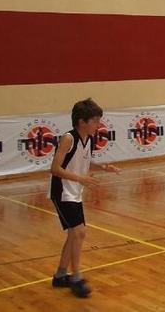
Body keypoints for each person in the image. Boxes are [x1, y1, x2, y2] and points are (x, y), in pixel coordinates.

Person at [49, 98, 121, 298]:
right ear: (82, 122)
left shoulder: (89, 139)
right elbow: (55, 168)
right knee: (79, 232)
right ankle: (76, 278)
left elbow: (84, 162)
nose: (99, 125)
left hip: (75, 192)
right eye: (96, 121)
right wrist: (80, 178)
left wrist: (104, 168)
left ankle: (60, 275)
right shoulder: (68, 139)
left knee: (74, 233)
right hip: (62, 192)